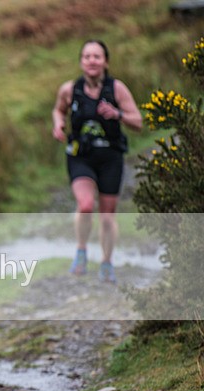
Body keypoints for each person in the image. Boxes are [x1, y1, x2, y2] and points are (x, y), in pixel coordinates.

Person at [52, 40, 142, 283]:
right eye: (87, 56)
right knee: (84, 205)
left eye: (97, 56)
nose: (92, 61)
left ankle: (106, 261)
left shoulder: (117, 89)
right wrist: (58, 123)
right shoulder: (70, 89)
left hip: (111, 158)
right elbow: (59, 110)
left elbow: (138, 121)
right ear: (81, 62)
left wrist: (118, 114)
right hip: (80, 156)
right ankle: (81, 251)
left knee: (107, 215)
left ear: (106, 62)